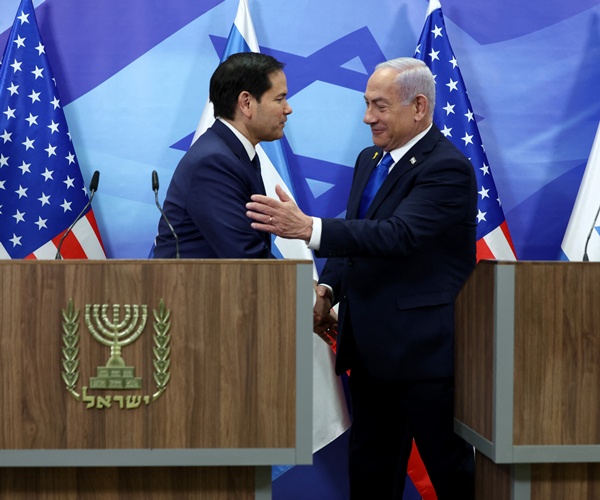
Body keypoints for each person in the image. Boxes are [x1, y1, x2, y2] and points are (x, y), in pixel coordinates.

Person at [246, 57, 476, 499]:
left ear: (419, 107)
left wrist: (309, 228)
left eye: (380, 106)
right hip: (370, 354)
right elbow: (358, 238)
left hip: (426, 359)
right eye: (367, 104)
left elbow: (398, 234)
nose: (368, 117)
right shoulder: (370, 160)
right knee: (370, 480)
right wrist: (328, 289)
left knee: (454, 478)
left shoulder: (446, 168)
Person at [153, 52, 292, 258]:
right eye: (279, 99)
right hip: (193, 280)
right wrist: (303, 279)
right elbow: (245, 256)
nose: (288, 109)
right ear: (246, 103)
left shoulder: (233, 152)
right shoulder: (214, 162)